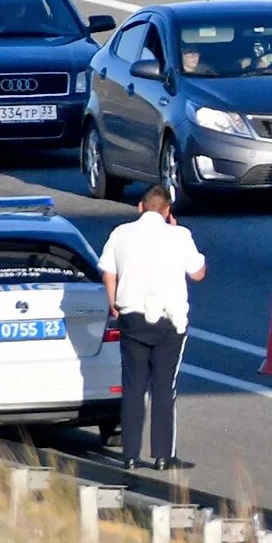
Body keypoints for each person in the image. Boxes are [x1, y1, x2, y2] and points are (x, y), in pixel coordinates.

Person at [97, 185, 207, 472]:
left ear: (140, 207)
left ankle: (130, 455)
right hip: (169, 322)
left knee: (133, 386)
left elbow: (109, 271)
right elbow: (198, 273)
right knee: (163, 387)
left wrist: (114, 304)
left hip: (131, 317)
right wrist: (177, 229)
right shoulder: (179, 236)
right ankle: (162, 455)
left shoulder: (121, 234)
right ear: (167, 210)